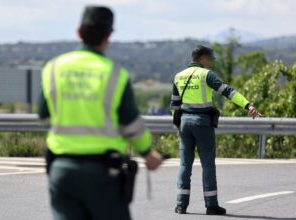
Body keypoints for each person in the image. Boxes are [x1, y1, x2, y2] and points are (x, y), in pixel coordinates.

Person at [38, 6, 163, 220]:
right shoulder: (115, 74)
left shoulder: (53, 68)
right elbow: (131, 125)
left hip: (62, 170)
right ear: (108, 36)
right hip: (104, 174)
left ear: (79, 32)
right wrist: (147, 153)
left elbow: (44, 116)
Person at [170, 45, 261, 215]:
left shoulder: (179, 76)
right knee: (207, 165)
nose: (211, 62)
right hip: (202, 123)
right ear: (202, 58)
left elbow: (174, 106)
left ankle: (181, 205)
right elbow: (228, 91)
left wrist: (178, 127)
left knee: (184, 164)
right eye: (210, 58)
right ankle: (211, 205)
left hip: (184, 123)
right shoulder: (206, 75)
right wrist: (248, 105)